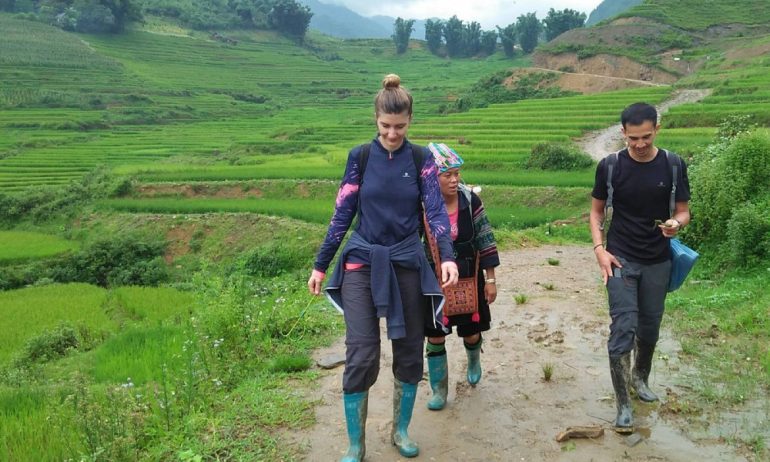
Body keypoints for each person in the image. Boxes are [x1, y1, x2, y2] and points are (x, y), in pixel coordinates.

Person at [307, 74, 459, 461]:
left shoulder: (422, 159)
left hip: (406, 260)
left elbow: (435, 209)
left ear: (411, 122)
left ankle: (400, 429)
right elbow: (342, 213)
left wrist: (447, 256)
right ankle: (355, 444)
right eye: (385, 127)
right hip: (362, 260)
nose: (392, 134)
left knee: (409, 350)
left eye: (400, 127)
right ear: (375, 120)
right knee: (361, 351)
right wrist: (321, 265)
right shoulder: (360, 157)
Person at [589, 102, 691, 432]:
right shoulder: (610, 166)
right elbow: (596, 213)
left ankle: (640, 378)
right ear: (623, 133)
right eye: (633, 138)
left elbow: (684, 210)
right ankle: (622, 404)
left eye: (646, 137)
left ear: (656, 130)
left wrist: (676, 223)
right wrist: (600, 251)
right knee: (623, 327)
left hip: (658, 261)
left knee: (649, 327)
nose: (640, 144)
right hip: (619, 258)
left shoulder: (673, 165)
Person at [422, 142, 500, 410]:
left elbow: (485, 238)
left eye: (457, 173)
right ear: (434, 177)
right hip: (434, 281)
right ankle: (439, 391)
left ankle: (474, 360)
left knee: (471, 332)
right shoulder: (422, 205)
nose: (455, 180)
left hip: (470, 274)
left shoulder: (470, 201)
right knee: (435, 335)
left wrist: (490, 280)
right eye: (447, 175)